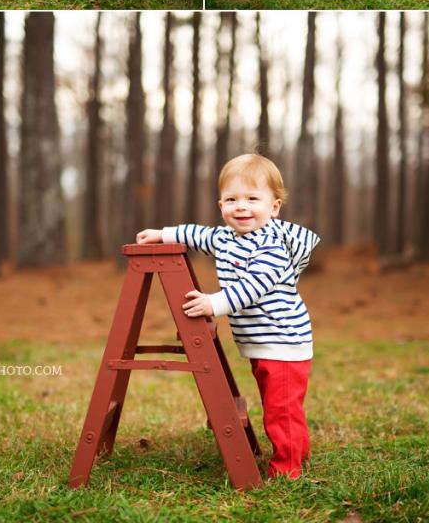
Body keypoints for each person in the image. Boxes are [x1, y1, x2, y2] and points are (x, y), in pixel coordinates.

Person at [136, 153, 320, 480]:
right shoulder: (226, 239)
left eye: (252, 198)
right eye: (232, 199)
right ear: (220, 206)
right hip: (262, 342)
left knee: (282, 411)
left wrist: (214, 303)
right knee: (278, 406)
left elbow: (254, 286)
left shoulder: (271, 245)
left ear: (274, 207)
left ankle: (288, 469)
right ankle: (297, 455)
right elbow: (196, 235)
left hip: (283, 341)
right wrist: (162, 234)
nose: (241, 207)